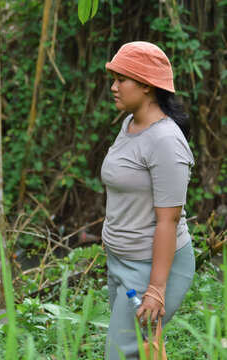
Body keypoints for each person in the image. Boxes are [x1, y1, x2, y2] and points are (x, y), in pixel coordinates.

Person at [101, 42, 195, 359]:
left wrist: (156, 288)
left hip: (151, 267)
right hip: (121, 261)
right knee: (135, 352)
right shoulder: (130, 124)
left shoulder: (166, 141)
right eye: (112, 78)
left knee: (119, 354)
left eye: (121, 79)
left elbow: (168, 220)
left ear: (146, 85)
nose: (113, 87)